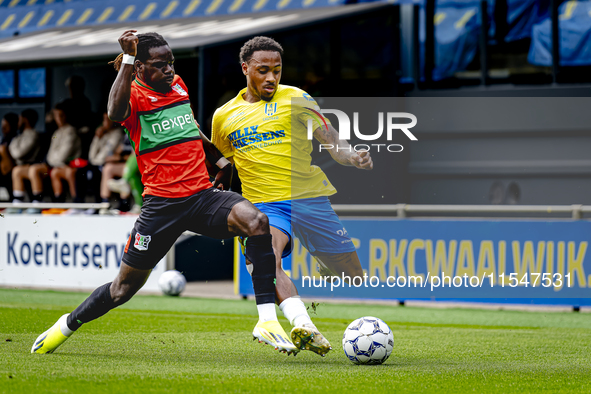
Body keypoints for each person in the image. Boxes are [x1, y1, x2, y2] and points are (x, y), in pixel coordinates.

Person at [32, 30, 296, 356]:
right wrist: (126, 59)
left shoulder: (177, 85)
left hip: (201, 195)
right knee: (122, 289)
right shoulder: (133, 96)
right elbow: (114, 113)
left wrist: (218, 159)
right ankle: (66, 325)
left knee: (256, 221)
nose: (170, 70)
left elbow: (189, 127)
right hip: (161, 207)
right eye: (161, 65)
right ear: (140, 67)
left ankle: (266, 320)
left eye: (172, 62)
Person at [212, 36, 373, 356]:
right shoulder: (223, 116)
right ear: (245, 69)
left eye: (277, 70)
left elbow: (334, 143)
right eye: (262, 70)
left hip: (310, 199)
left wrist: (353, 156)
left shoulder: (298, 98)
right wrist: (219, 180)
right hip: (266, 205)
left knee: (354, 278)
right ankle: (304, 326)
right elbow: (226, 160)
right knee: (266, 260)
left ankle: (323, 263)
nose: (271, 77)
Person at [7, 109, 41, 208]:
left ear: (25, 120)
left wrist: (12, 147)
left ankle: (37, 202)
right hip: (23, 166)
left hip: (33, 166)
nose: (18, 122)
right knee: (16, 170)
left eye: (20, 119)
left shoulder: (32, 134)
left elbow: (18, 153)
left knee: (18, 170)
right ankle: (17, 202)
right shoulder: (20, 135)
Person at [0, 112, 18, 201]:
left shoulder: (17, 138)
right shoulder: (3, 139)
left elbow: (17, 155)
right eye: (2, 125)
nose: (3, 128)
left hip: (12, 169)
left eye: (6, 125)